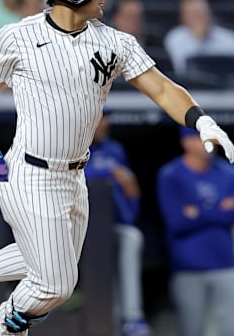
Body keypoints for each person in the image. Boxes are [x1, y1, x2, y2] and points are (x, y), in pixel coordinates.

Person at [0, 0, 234, 336]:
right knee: (54, 284)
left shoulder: (116, 42)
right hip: (29, 172)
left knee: (49, 266)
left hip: (74, 176)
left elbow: (162, 89)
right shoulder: (18, 36)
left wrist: (202, 120)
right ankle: (1, 326)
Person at [156, 127, 234, 336]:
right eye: (200, 138)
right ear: (186, 142)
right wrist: (219, 210)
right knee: (190, 329)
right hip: (187, 267)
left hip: (226, 264)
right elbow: (176, 222)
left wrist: (198, 212)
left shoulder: (230, 172)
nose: (208, 143)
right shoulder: (170, 175)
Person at [84, 112, 151, 336]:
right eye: (100, 118)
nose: (105, 124)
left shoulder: (115, 150)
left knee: (131, 236)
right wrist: (110, 172)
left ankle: (132, 317)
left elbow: (129, 187)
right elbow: (74, 175)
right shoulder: (69, 144)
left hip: (111, 224)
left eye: (106, 119)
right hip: (78, 228)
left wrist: (130, 198)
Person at [163, 0, 234, 75]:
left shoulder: (229, 37)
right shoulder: (175, 38)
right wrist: (197, 39)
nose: (200, 18)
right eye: (194, 14)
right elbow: (180, 69)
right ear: (183, 18)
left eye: (202, 13)